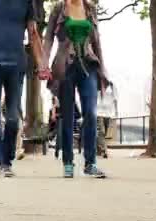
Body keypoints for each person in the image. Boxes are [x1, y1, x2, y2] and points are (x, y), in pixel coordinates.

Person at [0, 0, 51, 177]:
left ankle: (7, 162)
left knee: (13, 117)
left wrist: (41, 64)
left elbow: (33, 33)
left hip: (16, 65)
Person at [44, 0, 107, 178]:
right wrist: (44, 64)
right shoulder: (59, 8)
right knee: (68, 115)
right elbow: (48, 37)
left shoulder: (90, 8)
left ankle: (90, 163)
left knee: (91, 113)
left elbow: (96, 41)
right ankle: (68, 162)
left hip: (88, 65)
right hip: (65, 67)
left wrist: (102, 69)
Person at [96, 81, 118, 159]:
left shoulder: (112, 87)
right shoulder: (96, 85)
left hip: (108, 114)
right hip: (98, 113)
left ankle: (99, 148)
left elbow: (115, 99)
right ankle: (104, 150)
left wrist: (116, 111)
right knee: (101, 131)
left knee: (104, 133)